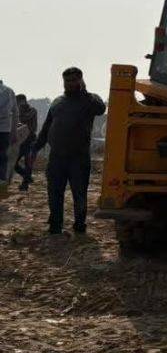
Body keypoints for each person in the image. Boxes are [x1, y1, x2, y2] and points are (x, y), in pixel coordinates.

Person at [33, 68, 106, 235]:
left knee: (79, 194)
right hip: (57, 157)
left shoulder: (89, 100)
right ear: (63, 82)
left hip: (78, 158)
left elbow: (101, 108)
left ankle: (80, 226)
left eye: (74, 80)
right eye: (68, 81)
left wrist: (85, 92)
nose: (71, 83)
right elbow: (46, 127)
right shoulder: (57, 102)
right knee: (54, 193)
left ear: (81, 81)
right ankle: (55, 226)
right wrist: (35, 147)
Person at [14, 94, 38, 191]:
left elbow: (24, 119)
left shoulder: (32, 110)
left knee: (28, 163)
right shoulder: (18, 111)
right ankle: (27, 177)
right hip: (21, 140)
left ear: (23, 101)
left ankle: (25, 185)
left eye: (18, 102)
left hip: (30, 140)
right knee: (14, 163)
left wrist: (18, 110)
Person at [0, 79, 19, 196]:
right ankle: (2, 186)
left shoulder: (8, 91)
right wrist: (14, 132)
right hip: (4, 131)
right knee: (2, 158)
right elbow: (15, 113)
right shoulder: (9, 91)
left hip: (4, 130)